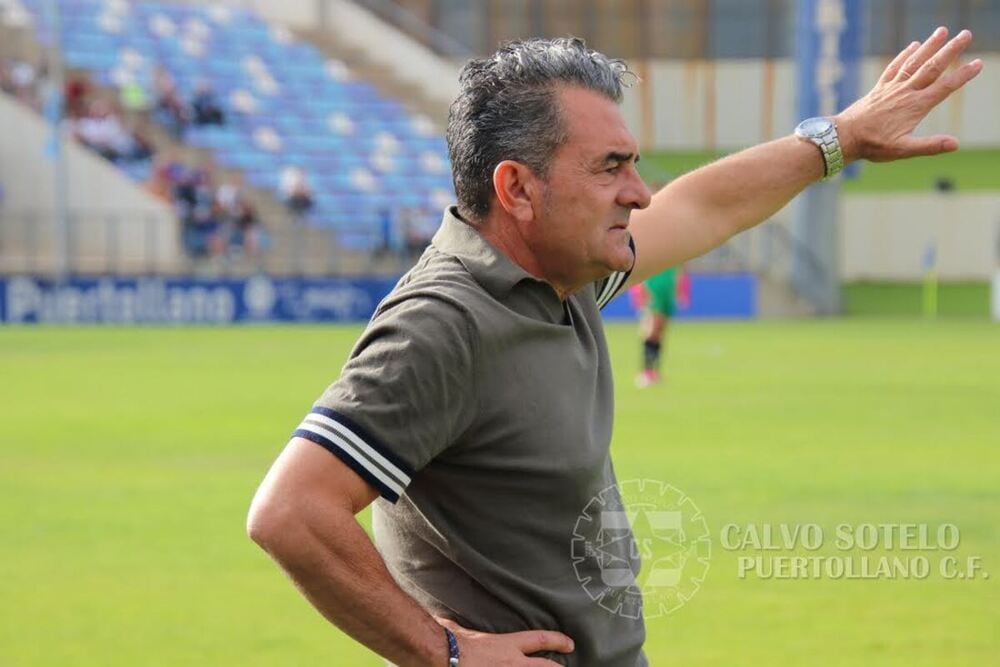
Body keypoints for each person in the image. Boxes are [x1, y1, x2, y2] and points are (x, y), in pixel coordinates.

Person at [247, 31, 982, 667]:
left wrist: (841, 138)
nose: (638, 191)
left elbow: (702, 205)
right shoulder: (446, 321)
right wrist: (442, 649)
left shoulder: (558, 281)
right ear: (517, 189)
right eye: (609, 167)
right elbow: (292, 510)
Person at [629, 265, 690, 387]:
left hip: (668, 291)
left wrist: (681, 290)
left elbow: (681, 269)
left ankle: (654, 371)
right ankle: (646, 371)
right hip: (654, 287)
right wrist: (639, 292)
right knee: (652, 329)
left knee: (660, 332)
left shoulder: (674, 256)